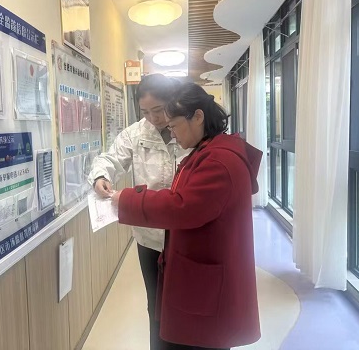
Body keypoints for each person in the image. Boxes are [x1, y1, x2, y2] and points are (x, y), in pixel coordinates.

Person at [111, 83, 262, 350]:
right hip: (196, 264)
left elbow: (181, 206)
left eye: (174, 125)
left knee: (197, 340)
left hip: (206, 275)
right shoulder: (208, 151)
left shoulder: (218, 161)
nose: (171, 133)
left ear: (198, 116)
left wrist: (126, 199)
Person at [88, 73, 190, 350]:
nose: (153, 118)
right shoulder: (135, 133)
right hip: (149, 239)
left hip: (187, 237)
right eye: (145, 112)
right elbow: (109, 158)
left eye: (158, 110)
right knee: (156, 305)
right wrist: (100, 176)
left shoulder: (188, 129)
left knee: (189, 304)